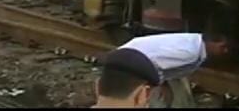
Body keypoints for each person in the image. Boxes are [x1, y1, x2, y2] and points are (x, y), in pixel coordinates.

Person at [94, 33, 227, 108]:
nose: (225, 53)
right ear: (142, 96)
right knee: (161, 101)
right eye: (224, 48)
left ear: (97, 87)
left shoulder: (193, 45)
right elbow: (157, 63)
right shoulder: (189, 51)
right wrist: (162, 86)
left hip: (129, 60)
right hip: (137, 64)